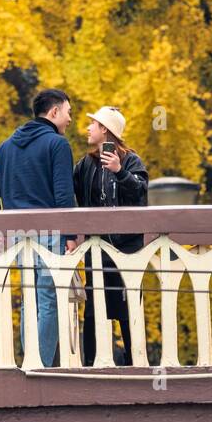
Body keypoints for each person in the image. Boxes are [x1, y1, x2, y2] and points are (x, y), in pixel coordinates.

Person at [0, 88, 77, 367]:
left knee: (28, 299)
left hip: (16, 237)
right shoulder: (57, 145)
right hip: (49, 235)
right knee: (48, 300)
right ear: (54, 112)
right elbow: (63, 197)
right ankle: (42, 367)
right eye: (68, 112)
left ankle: (30, 361)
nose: (70, 119)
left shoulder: (7, 146)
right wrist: (70, 234)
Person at [73, 106, 149, 366]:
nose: (87, 128)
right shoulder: (85, 164)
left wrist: (120, 171)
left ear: (104, 129)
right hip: (97, 249)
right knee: (94, 308)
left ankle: (135, 363)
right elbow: (73, 199)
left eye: (92, 124)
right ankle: (91, 364)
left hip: (127, 250)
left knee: (129, 309)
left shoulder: (130, 160)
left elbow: (140, 193)